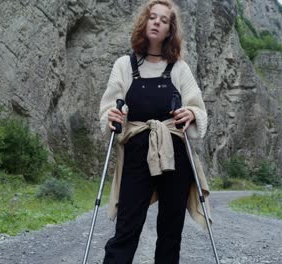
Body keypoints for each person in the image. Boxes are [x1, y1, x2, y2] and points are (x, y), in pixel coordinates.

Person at [98, 0, 210, 263]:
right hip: (137, 153)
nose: (157, 22)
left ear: (170, 29)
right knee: (127, 227)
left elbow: (199, 109)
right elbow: (107, 108)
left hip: (175, 155)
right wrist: (111, 116)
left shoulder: (180, 68)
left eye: (163, 20)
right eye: (152, 17)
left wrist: (191, 113)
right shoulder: (124, 65)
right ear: (144, 22)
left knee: (171, 232)